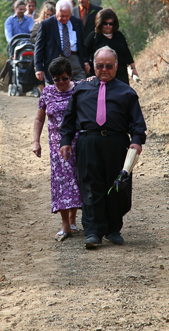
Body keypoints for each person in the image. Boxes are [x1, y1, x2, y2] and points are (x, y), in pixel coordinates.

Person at [59, 46, 147, 249]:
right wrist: (65, 141)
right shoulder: (81, 89)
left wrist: (136, 140)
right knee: (90, 185)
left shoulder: (127, 92)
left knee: (117, 186)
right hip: (88, 143)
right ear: (93, 66)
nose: (104, 69)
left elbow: (137, 123)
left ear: (116, 67)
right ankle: (92, 231)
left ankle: (113, 229)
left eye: (109, 66)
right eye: (100, 66)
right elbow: (69, 120)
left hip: (117, 144)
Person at [32, 57, 82, 241]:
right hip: (56, 147)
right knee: (61, 185)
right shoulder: (47, 92)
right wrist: (35, 142)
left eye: (64, 78)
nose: (60, 82)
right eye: (56, 79)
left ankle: (73, 219)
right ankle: (65, 225)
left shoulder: (79, 89)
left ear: (70, 76)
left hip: (78, 143)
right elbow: (39, 119)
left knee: (75, 182)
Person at [34, 0, 89, 84]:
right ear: (57, 11)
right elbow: (39, 48)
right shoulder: (46, 24)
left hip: (74, 61)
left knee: (81, 88)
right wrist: (38, 68)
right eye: (62, 16)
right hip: (54, 62)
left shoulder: (76, 22)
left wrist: (85, 61)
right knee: (55, 92)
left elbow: (82, 44)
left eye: (67, 16)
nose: (65, 18)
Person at [85, 8, 139, 85]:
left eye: (111, 23)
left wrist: (133, 68)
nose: (108, 26)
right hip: (102, 76)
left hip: (121, 75)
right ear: (100, 23)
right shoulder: (94, 37)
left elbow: (126, 52)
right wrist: (87, 66)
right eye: (105, 23)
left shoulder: (119, 35)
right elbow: (84, 53)